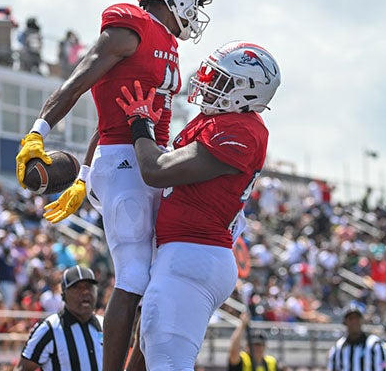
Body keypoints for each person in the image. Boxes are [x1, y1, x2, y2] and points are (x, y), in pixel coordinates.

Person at [15, 0, 212, 371]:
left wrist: (84, 177)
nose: (194, 9)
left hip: (143, 162)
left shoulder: (168, 42)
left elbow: (115, 119)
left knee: (159, 284)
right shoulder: (131, 25)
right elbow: (80, 78)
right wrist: (39, 130)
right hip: (127, 164)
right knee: (134, 278)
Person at [114, 40, 281, 369]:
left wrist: (139, 123)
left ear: (248, 92)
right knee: (144, 359)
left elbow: (156, 171)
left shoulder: (242, 130)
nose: (207, 82)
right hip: (185, 254)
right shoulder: (219, 122)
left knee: (166, 361)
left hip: (193, 254)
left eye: (220, 79)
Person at [18, 265, 102, 371]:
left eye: (89, 287)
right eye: (77, 288)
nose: (85, 292)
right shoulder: (49, 328)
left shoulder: (104, 325)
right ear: (64, 294)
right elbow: (22, 368)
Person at [327, 302, 386, 371]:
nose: (354, 321)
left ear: (362, 320)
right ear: (345, 322)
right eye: (351, 318)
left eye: (357, 318)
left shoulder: (375, 345)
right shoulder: (338, 348)